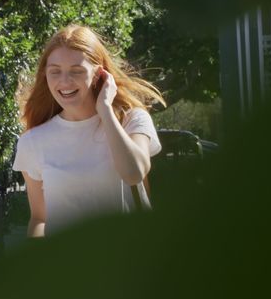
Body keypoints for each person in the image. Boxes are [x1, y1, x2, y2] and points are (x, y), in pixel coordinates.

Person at [13, 24, 165, 237]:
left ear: (99, 74)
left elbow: (134, 173)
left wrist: (105, 111)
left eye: (76, 71)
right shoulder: (33, 142)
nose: (64, 81)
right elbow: (39, 218)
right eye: (55, 71)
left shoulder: (131, 120)